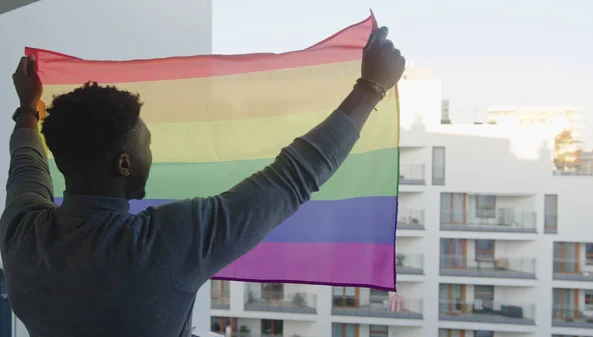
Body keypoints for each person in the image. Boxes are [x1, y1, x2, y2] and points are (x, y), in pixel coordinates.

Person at [0, 27, 404, 337]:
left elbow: (26, 162)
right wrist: (372, 87)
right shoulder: (165, 243)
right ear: (124, 164)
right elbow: (293, 177)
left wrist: (27, 109)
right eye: (147, 145)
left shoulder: (22, 233)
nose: (151, 154)